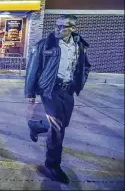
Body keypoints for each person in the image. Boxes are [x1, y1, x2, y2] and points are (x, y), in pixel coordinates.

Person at [24, 15, 91, 184]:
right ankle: (53, 165)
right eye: (57, 26)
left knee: (62, 124)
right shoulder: (45, 44)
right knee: (57, 130)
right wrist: (30, 92)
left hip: (68, 91)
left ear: (73, 29)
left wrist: (80, 80)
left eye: (64, 27)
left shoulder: (80, 45)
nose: (59, 29)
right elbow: (33, 68)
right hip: (50, 90)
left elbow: (86, 66)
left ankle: (36, 126)